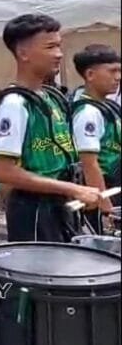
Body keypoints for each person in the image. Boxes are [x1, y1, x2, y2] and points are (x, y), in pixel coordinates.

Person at [0, 14, 100, 242]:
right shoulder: (14, 104)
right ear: (23, 54)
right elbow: (3, 171)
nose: (59, 54)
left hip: (58, 206)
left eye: (59, 46)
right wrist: (71, 189)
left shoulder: (50, 98)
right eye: (50, 47)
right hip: (34, 211)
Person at [70, 44, 122, 234]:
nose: (118, 77)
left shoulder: (108, 107)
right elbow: (89, 163)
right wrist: (105, 206)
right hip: (103, 192)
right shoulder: (88, 113)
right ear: (90, 75)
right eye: (112, 71)